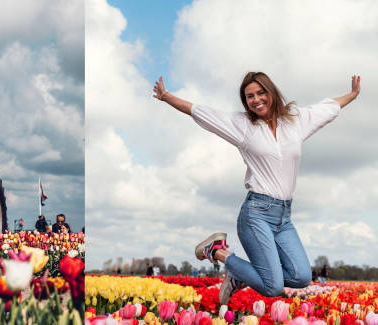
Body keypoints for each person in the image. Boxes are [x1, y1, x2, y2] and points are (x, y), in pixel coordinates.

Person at [153, 72, 360, 304]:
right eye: (249, 96)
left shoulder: (295, 121)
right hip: (256, 214)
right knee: (273, 287)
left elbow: (326, 109)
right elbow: (201, 112)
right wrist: (166, 96)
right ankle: (215, 251)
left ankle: (239, 274)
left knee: (301, 277)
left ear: (271, 92)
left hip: (284, 217)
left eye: (261, 93)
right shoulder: (243, 126)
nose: (256, 99)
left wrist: (352, 95)